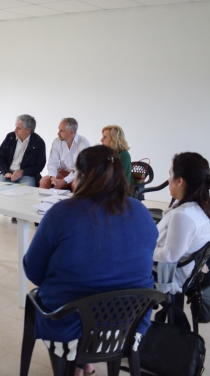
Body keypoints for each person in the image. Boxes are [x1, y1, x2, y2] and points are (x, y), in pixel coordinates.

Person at [23, 145, 158, 376]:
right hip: (128, 328)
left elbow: (33, 271)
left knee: (47, 299)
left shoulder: (62, 213)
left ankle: (76, 363)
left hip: (72, 328)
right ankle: (84, 364)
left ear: (82, 176)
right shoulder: (141, 212)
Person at [154, 153, 210, 279]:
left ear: (179, 181)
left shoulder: (183, 216)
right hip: (177, 268)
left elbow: (170, 255)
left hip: (162, 273)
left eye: (170, 174)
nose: (168, 180)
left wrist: (140, 251)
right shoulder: (206, 206)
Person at [39, 118, 90, 191]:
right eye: (59, 130)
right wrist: (53, 177)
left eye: (61, 131)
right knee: (44, 181)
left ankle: (75, 202)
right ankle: (44, 202)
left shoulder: (83, 143)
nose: (58, 133)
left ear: (71, 132)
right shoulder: (57, 141)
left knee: (77, 184)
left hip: (78, 175)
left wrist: (64, 181)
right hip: (63, 172)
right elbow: (52, 163)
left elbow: (81, 169)